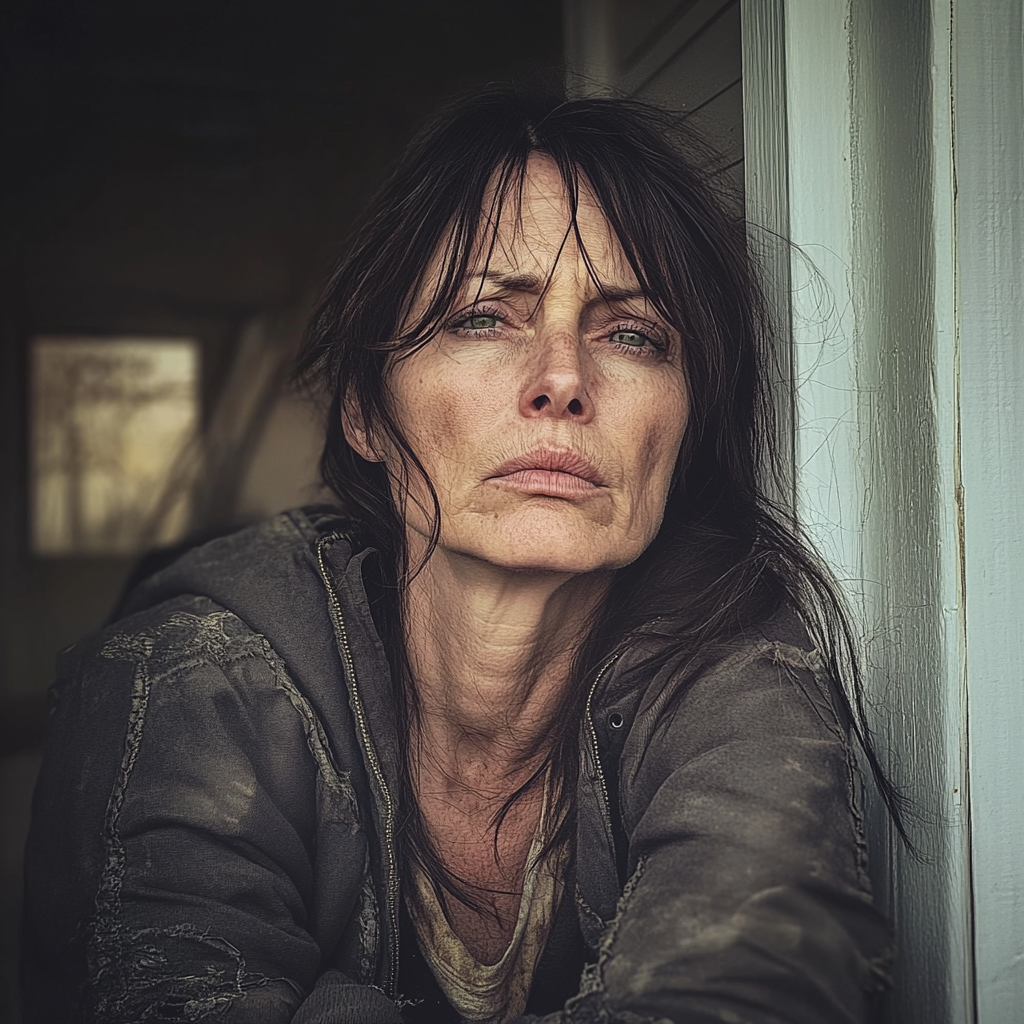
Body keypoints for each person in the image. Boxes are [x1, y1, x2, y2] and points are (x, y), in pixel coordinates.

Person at [22, 88, 898, 1024]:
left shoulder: (741, 673)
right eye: (485, 317)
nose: (563, 379)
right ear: (364, 408)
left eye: (633, 334)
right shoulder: (193, 680)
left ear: (681, 430)